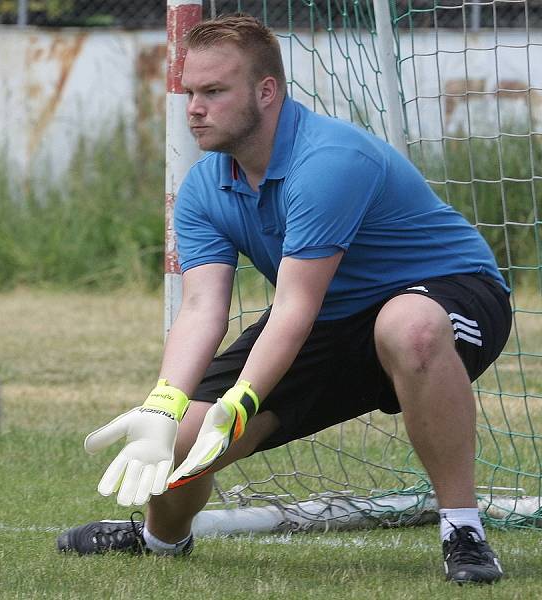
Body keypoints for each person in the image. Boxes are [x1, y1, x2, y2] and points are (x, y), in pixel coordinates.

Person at [57, 14, 511, 585]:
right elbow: (202, 308)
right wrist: (163, 405)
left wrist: (244, 400)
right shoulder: (202, 188)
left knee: (409, 326)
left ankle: (462, 530)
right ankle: (158, 540)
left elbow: (295, 306)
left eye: (214, 91)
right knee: (182, 442)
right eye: (190, 92)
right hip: (331, 319)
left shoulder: (327, 162)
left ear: (266, 91)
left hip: (448, 295)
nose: (194, 108)